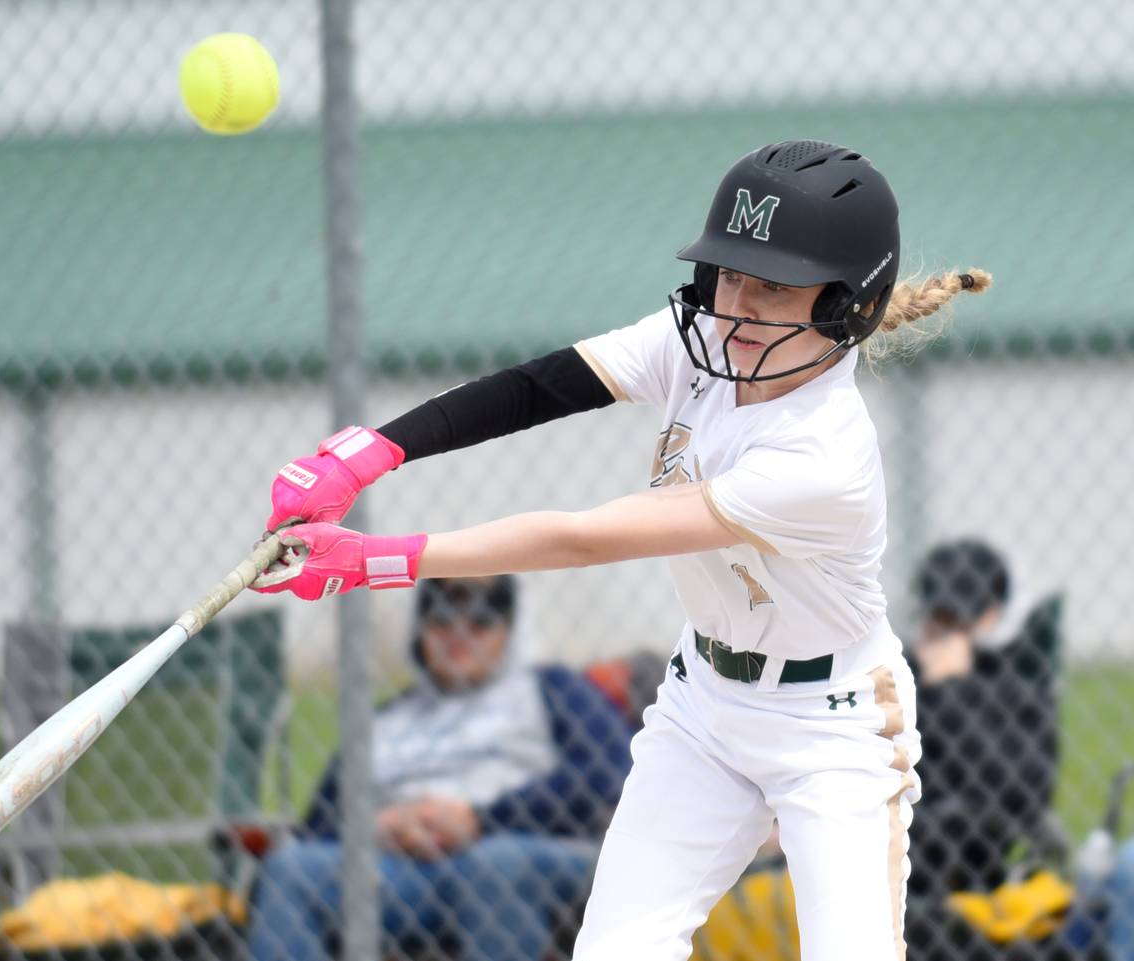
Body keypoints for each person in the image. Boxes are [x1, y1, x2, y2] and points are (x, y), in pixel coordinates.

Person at [251, 141, 991, 961]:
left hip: (834, 724)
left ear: (845, 306)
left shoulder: (823, 456)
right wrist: (370, 451)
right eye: (728, 274)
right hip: (704, 705)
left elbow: (583, 538)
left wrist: (374, 558)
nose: (737, 305)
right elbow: (536, 387)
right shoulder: (701, 346)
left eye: (772, 285)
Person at [245, 575, 632, 961]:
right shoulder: (389, 719)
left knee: (494, 864)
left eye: (481, 621)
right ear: (421, 630)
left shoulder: (551, 689)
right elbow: (318, 823)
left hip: (520, 852)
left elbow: (610, 771)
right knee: (290, 871)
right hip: (397, 871)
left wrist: (480, 819)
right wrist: (380, 825)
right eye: (442, 619)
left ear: (511, 630)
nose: (459, 633)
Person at [904, 539, 1060, 899]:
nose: (948, 634)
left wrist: (951, 690)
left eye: (961, 621)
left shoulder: (1018, 684)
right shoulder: (896, 678)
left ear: (993, 615)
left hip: (971, 859)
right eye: (940, 620)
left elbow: (1021, 791)